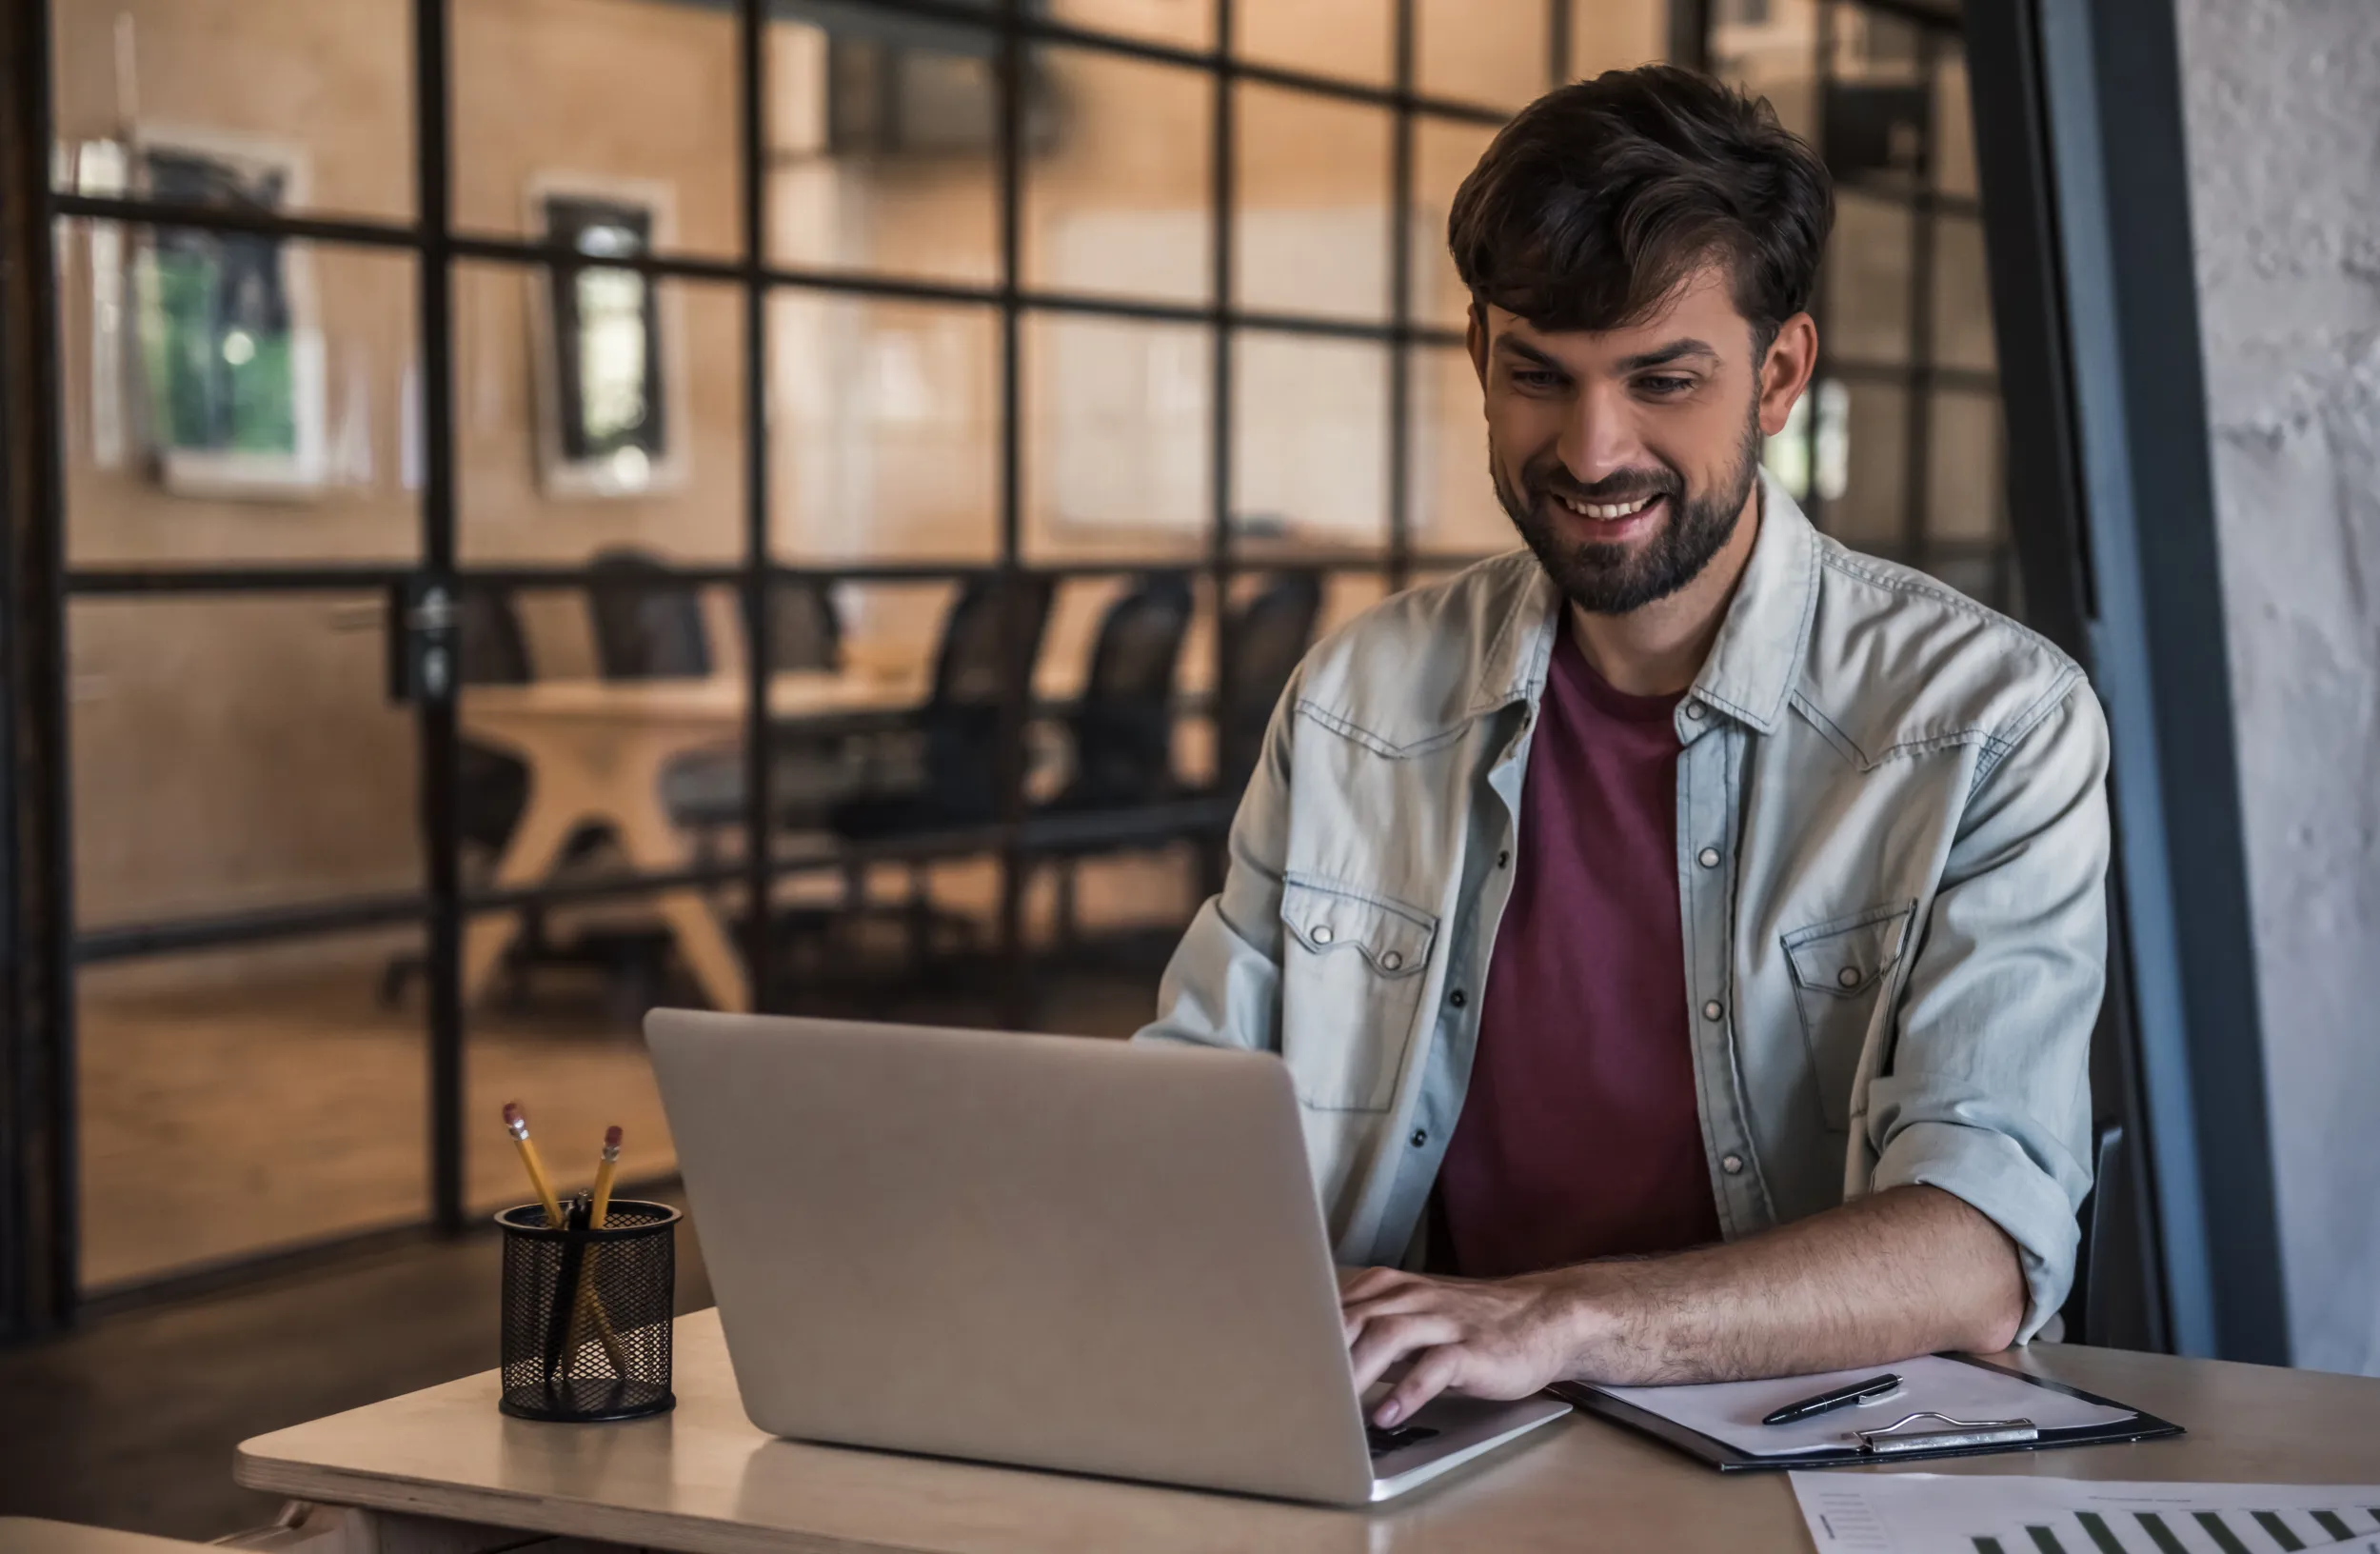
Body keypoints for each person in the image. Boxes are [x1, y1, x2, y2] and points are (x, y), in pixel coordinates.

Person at [1134, 65, 2109, 1431]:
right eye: (1541, 375)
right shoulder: (1363, 697)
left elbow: (1979, 1254)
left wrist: (1560, 1320)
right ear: (1480, 357)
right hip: (1415, 1436)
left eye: (1661, 381)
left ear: (1778, 376)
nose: (1594, 450)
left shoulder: (1990, 722)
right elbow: (1175, 1129)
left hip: (1806, 1459)